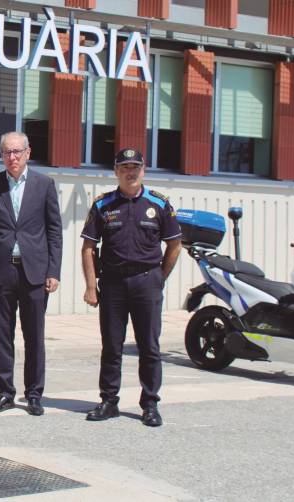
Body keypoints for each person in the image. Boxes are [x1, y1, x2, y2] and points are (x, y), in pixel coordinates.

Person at [80, 147, 182, 427]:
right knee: (111, 346)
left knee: (149, 346)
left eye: (135, 166)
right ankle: (109, 401)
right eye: (124, 167)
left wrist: (160, 276)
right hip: (113, 283)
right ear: (116, 171)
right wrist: (91, 286)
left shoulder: (159, 204)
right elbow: (88, 247)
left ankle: (150, 404)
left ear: (143, 169)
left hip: (147, 281)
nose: (130, 171)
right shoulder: (103, 205)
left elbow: (175, 244)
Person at [0, 131, 62, 417]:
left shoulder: (44, 185)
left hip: (35, 272)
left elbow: (54, 231)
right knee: (2, 335)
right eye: (7, 152)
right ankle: (5, 392)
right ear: (1, 155)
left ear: (28, 153)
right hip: (1, 272)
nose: (12, 157)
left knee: (34, 335)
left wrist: (53, 270)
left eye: (17, 152)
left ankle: (34, 393)